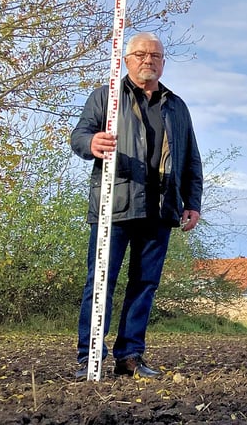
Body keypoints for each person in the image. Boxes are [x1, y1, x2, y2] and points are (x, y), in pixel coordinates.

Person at [71, 32, 203, 379]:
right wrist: (92, 142)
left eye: (156, 56)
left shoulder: (176, 105)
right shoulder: (107, 97)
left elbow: (191, 159)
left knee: (144, 285)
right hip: (114, 205)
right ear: (127, 59)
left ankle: (129, 355)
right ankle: (90, 356)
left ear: (163, 62)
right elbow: (79, 136)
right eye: (142, 54)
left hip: (160, 210)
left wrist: (193, 203)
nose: (149, 60)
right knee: (100, 283)